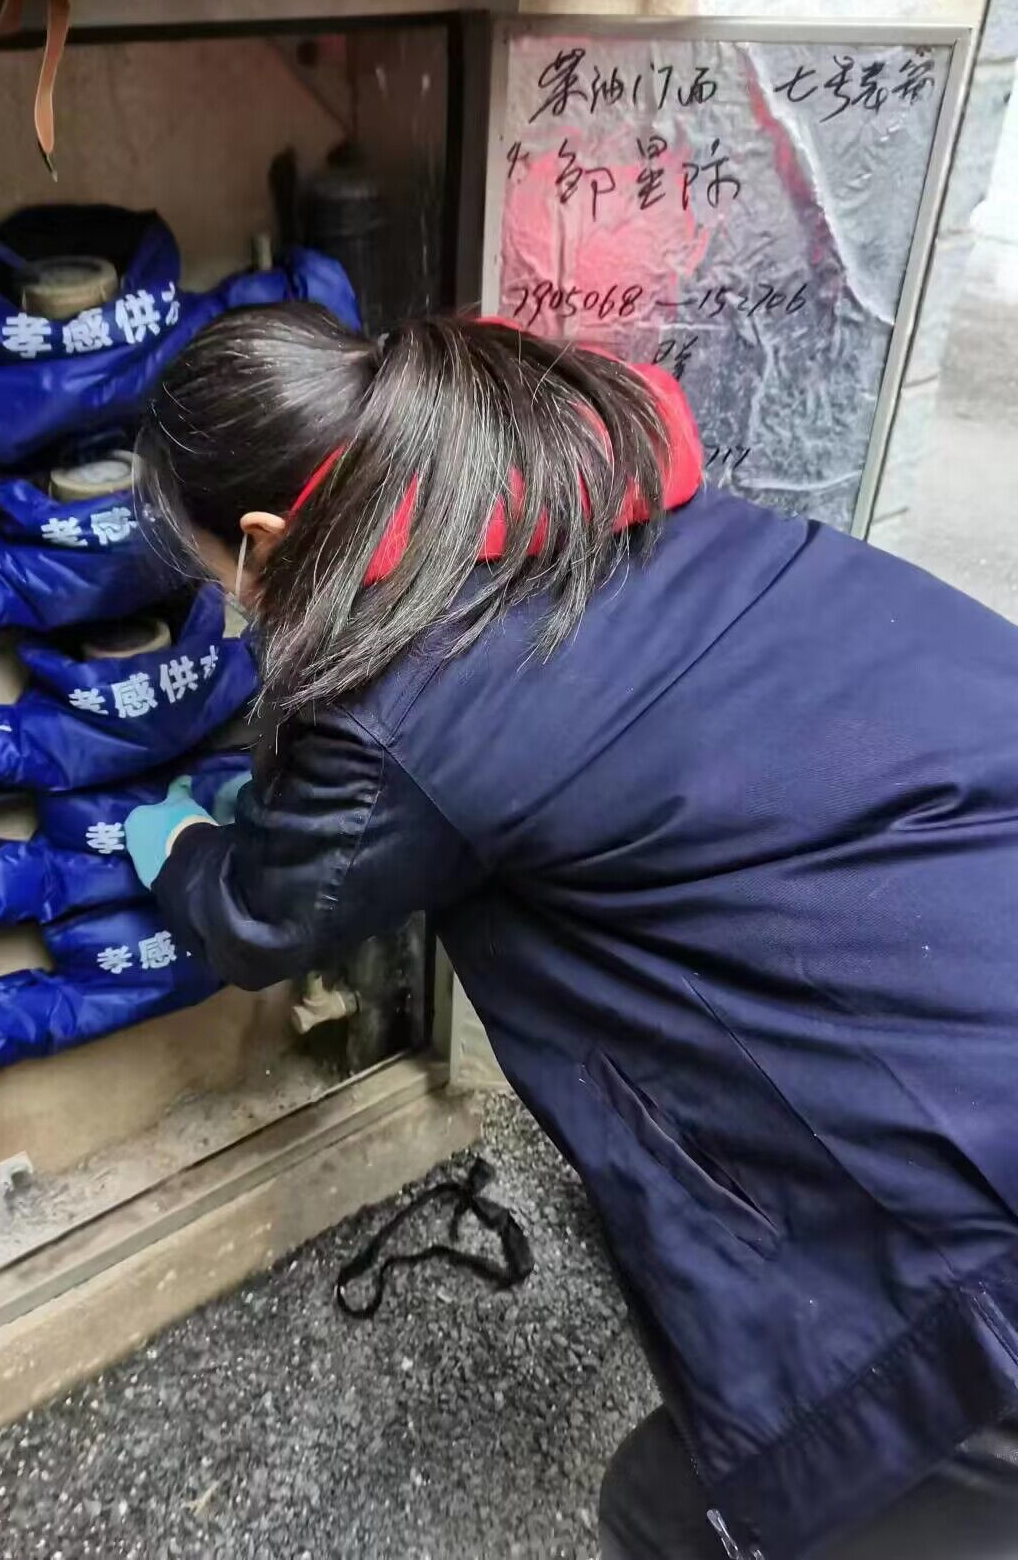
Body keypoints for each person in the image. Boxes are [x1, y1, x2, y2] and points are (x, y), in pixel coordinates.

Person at [125, 304, 1018, 1560]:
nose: (232, 607)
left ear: (265, 540)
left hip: (983, 1186)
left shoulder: (398, 702)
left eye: (219, 576)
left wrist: (178, 844)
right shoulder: (596, 481)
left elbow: (261, 915)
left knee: (680, 1515)